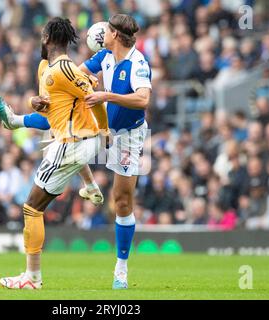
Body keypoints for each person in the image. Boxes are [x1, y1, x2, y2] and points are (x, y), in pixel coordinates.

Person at [0, 17, 109, 290]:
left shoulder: (64, 70)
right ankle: (90, 186)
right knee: (56, 138)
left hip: (76, 142)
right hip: (75, 141)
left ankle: (32, 278)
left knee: (31, 207)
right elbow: (52, 117)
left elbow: (93, 96)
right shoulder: (48, 69)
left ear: (46, 38)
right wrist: (37, 103)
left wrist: (105, 131)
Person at [80, 14, 152, 289]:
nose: (102, 34)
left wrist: (105, 95)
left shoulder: (138, 63)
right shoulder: (104, 56)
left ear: (116, 36)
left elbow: (143, 98)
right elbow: (77, 72)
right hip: (103, 128)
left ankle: (121, 267)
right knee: (64, 144)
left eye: (107, 30)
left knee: (121, 200)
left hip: (128, 137)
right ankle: (89, 185)